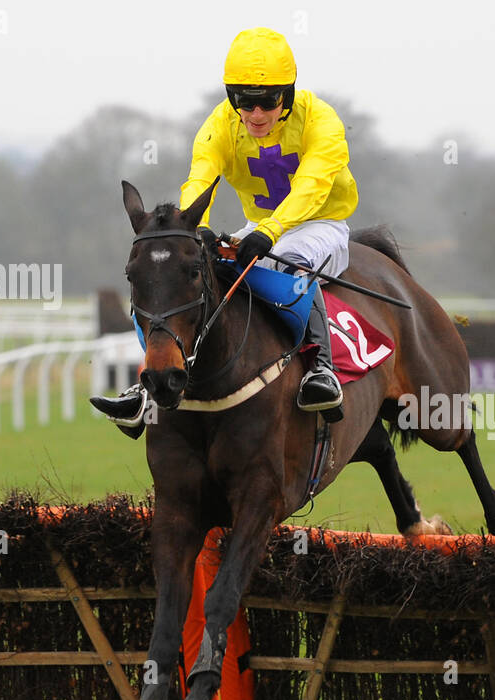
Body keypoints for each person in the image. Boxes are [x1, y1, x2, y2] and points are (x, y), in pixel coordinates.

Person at [94, 27, 357, 433]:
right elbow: (201, 179)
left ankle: (322, 369)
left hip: (320, 222)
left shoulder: (321, 121)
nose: (254, 114)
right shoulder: (220, 125)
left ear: (287, 94)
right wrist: (189, 227)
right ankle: (148, 384)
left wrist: (269, 232)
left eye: (267, 102)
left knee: (290, 260)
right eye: (243, 102)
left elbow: (312, 187)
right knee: (189, 269)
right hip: (262, 225)